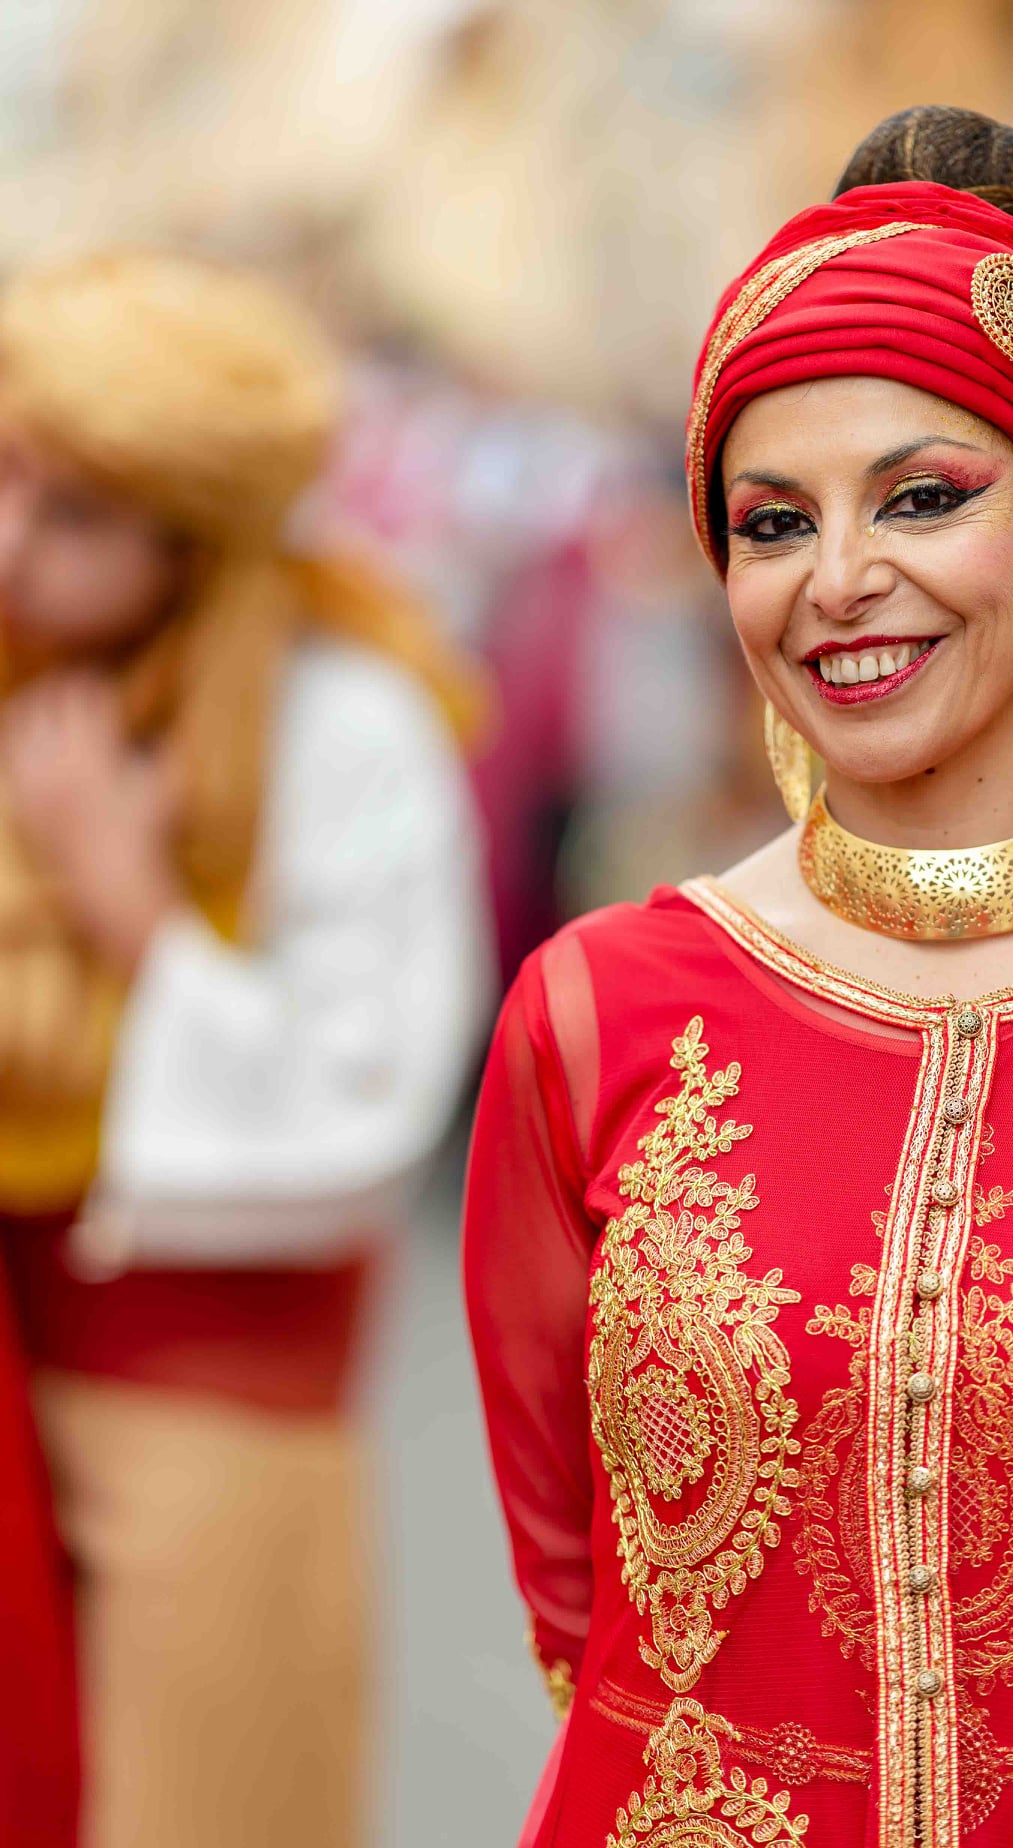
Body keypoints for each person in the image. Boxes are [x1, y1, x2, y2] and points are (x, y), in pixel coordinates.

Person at [464, 105, 1013, 1848]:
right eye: (769, 522)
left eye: (923, 498)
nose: (837, 581)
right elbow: (575, 1589)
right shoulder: (596, 1013)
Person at [0, 251, 490, 1848]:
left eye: (73, 511)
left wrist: (129, 905)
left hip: (207, 1408)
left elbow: (367, 1100)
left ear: (190, 533)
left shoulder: (349, 727)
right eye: (4, 480)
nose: (10, 542)